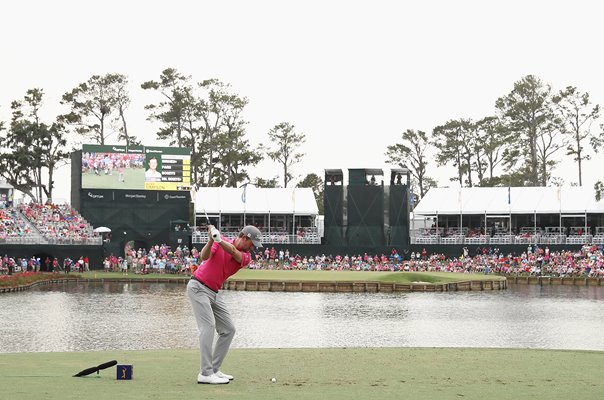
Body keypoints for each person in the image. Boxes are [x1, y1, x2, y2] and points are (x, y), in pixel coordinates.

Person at [187, 224, 263, 385]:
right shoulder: (219, 241)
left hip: (214, 292)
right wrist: (210, 240)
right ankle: (205, 373)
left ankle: (214, 369)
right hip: (198, 287)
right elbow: (203, 257)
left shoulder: (246, 257)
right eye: (252, 244)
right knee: (208, 327)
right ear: (245, 237)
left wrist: (218, 240)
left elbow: (234, 252)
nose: (253, 249)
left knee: (228, 329)